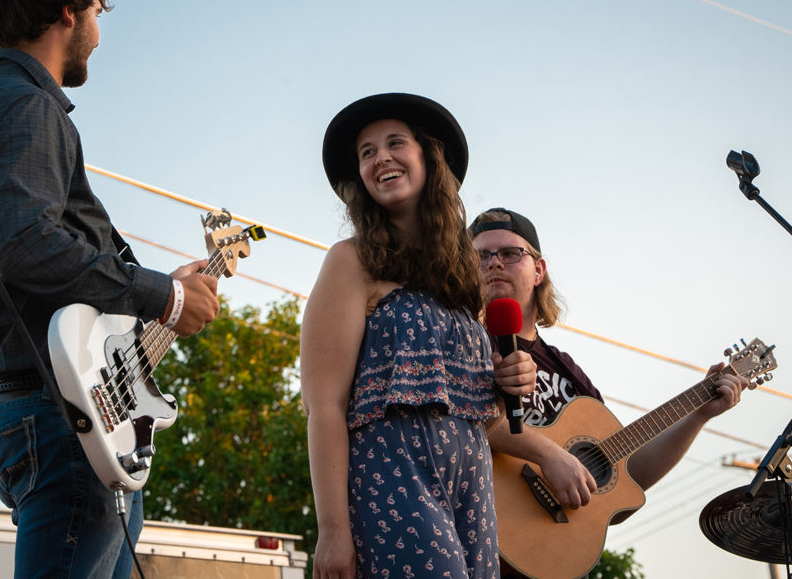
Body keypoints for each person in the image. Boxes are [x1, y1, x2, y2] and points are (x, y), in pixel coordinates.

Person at [0, 0, 220, 578]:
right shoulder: (28, 109)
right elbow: (28, 245)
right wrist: (165, 295)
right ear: (71, 10)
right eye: (97, 12)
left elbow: (40, 267)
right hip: (56, 417)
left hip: (44, 411)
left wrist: (157, 291)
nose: (98, 28)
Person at [301, 94, 538, 578]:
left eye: (394, 143)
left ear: (429, 158)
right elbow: (323, 406)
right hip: (394, 475)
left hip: (473, 484)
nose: (380, 157)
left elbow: (471, 404)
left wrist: (507, 378)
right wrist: (332, 529)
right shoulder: (350, 261)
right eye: (366, 152)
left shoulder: (462, 282)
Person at [470, 207, 752, 509]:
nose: (494, 263)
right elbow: (460, 415)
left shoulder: (565, 368)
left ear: (539, 270)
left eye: (510, 253)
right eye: (481, 257)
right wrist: (549, 454)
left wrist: (698, 414)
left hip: (543, 541)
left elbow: (624, 475)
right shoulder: (459, 342)